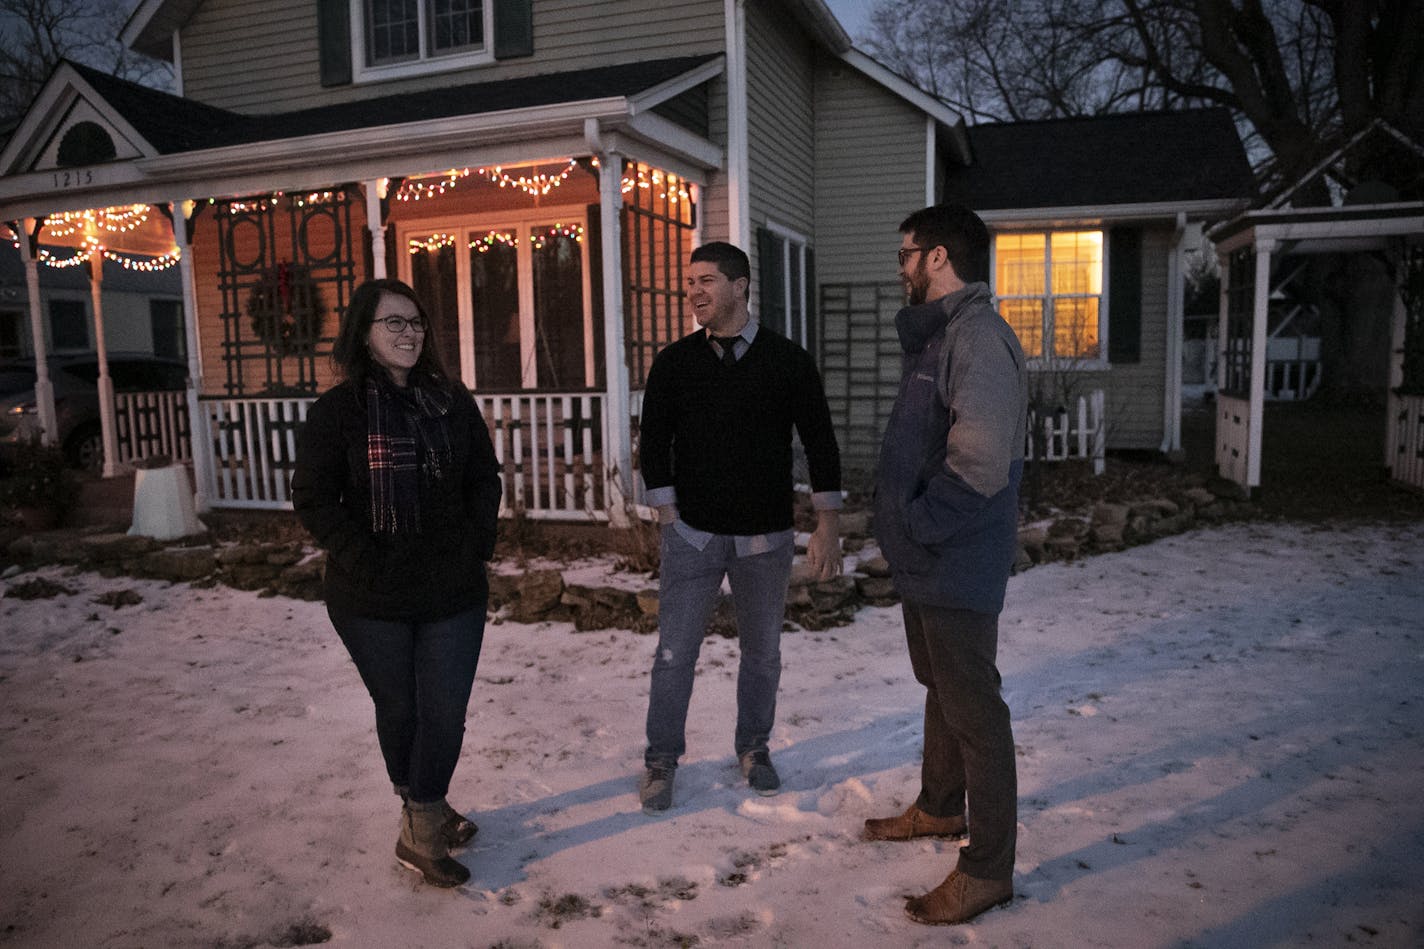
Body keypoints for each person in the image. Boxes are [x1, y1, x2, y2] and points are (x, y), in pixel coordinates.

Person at [292, 278, 502, 888]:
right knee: (401, 707)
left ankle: (423, 819)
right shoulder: (338, 412)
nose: (409, 333)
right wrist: (366, 561)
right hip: (371, 595)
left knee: (445, 711)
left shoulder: (451, 400)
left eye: (416, 323)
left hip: (452, 587)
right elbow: (314, 499)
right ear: (364, 332)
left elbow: (484, 479)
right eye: (394, 323)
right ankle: (424, 814)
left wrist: (476, 544)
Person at [862, 204, 1027, 924]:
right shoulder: (942, 335)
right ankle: (938, 805)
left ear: (936, 258)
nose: (899, 266)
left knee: (975, 708)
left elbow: (982, 460)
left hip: (954, 553)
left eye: (906, 254)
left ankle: (988, 868)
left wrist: (917, 525)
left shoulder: (979, 337)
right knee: (941, 683)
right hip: (929, 555)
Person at [637, 241, 842, 812]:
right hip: (693, 537)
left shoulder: (787, 361)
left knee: (763, 655)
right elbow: (653, 441)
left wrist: (828, 521)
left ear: (741, 285)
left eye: (705, 281)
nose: (693, 292)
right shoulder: (674, 363)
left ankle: (754, 748)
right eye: (689, 283)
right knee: (674, 654)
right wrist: (669, 513)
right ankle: (660, 760)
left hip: (764, 540)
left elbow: (820, 442)